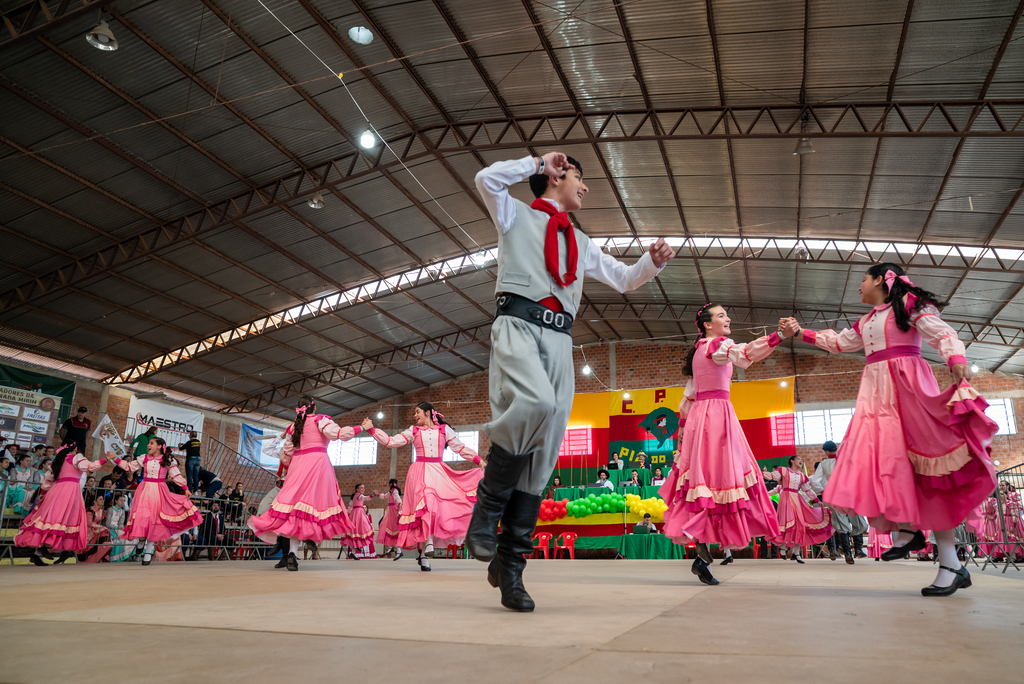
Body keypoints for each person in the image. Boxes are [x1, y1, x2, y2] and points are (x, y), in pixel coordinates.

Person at [468, 151, 675, 612]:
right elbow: (486, 179)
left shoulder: (582, 242)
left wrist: (652, 262)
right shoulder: (514, 213)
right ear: (558, 176)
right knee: (534, 403)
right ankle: (485, 511)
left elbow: (623, 279)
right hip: (519, 325)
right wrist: (537, 162)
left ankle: (510, 570)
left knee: (542, 461)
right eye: (580, 177)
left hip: (560, 340)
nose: (584, 187)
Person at [782, 262, 999, 596]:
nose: (859, 286)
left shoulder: (909, 307)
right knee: (885, 466)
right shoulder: (866, 320)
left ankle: (944, 559)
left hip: (908, 390)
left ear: (881, 279)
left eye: (863, 279)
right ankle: (917, 538)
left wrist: (956, 363)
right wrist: (800, 333)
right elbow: (839, 342)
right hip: (875, 399)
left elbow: (942, 333)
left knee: (927, 472)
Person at [660, 304, 785, 586]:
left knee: (707, 482)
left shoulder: (698, 353)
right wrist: (778, 336)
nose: (728, 318)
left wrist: (682, 439)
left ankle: (703, 554)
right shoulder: (717, 345)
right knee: (724, 479)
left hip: (698, 421)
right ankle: (704, 553)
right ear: (706, 324)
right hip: (717, 416)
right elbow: (745, 355)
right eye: (721, 316)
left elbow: (687, 401)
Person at [365, 402, 484, 572]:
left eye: (417, 412)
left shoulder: (444, 430)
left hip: (438, 470)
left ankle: (424, 553)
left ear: (428, 413)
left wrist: (478, 460)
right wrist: (372, 430)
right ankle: (426, 547)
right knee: (426, 503)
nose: (415, 415)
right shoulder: (413, 430)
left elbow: (460, 448)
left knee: (433, 505)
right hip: (419, 471)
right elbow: (391, 442)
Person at [247, 396, 359, 571]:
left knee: (295, 513)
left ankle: (292, 552)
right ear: (314, 408)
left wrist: (290, 460)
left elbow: (287, 452)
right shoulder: (320, 420)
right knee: (308, 510)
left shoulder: (294, 426)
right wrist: (362, 427)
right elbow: (338, 434)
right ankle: (300, 545)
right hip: (317, 465)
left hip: (297, 467)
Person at [111, 437, 203, 566]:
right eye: (149, 443)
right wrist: (115, 458)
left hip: (159, 491)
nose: (148, 445)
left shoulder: (167, 460)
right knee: (142, 518)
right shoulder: (144, 458)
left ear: (159, 446)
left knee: (155, 521)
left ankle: (148, 551)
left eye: (151, 443)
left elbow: (176, 474)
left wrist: (185, 487)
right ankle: (141, 541)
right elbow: (128, 467)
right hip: (144, 490)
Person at [14, 444, 107, 565]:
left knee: (54, 520)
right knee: (67, 520)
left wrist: (43, 493)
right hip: (71, 491)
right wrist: (105, 459)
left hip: (57, 490)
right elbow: (90, 466)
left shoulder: (58, 460)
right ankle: (48, 549)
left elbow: (48, 479)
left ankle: (45, 551)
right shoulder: (76, 457)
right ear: (74, 449)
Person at [764, 455, 833, 564]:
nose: (801, 461)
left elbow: (808, 490)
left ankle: (796, 552)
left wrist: (817, 500)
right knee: (786, 522)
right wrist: (760, 473)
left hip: (797, 499)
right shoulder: (784, 471)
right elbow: (772, 476)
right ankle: (782, 547)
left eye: (801, 459)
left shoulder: (802, 475)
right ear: (792, 460)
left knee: (799, 525)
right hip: (786, 498)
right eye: (798, 459)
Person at [809, 440, 868, 564]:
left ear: (827, 451)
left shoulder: (824, 464)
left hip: (835, 495)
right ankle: (858, 549)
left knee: (841, 524)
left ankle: (847, 553)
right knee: (857, 519)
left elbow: (815, 481)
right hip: (851, 494)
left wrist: (824, 490)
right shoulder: (848, 460)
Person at [342, 483, 377, 560]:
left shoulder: (354, 496)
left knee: (355, 532)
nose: (363, 489)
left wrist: (350, 516)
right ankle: (356, 548)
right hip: (358, 514)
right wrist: (372, 495)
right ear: (357, 489)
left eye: (363, 488)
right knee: (363, 528)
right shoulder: (359, 496)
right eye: (361, 488)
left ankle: (353, 552)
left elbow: (350, 506)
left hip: (354, 514)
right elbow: (366, 498)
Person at [376, 479, 403, 560]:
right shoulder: (391, 491)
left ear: (390, 484)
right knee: (389, 528)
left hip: (394, 509)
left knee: (393, 528)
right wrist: (377, 494)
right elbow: (384, 496)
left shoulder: (394, 491)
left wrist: (400, 504)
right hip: (390, 510)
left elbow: (397, 497)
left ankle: (397, 550)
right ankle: (392, 548)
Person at [103, 492, 134, 562]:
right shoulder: (110, 509)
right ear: (116, 501)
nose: (123, 502)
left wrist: (121, 527)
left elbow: (121, 523)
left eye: (124, 500)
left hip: (117, 528)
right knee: (122, 537)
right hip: (109, 528)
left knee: (128, 536)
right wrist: (117, 528)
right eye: (121, 500)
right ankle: (115, 558)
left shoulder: (122, 511)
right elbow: (107, 523)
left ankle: (125, 555)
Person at [80, 496, 111, 563]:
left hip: (97, 527)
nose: (102, 501)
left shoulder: (101, 510)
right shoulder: (90, 510)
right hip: (89, 528)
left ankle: (103, 552)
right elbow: (88, 523)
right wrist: (99, 527)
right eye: (100, 499)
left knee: (105, 531)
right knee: (103, 530)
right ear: (94, 501)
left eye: (102, 499)